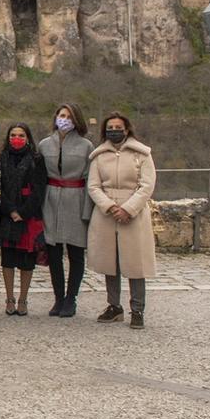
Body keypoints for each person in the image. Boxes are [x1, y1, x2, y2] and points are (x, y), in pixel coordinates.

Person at [88, 113, 156, 330]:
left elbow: (147, 185)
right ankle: (113, 306)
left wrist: (128, 209)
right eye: (110, 127)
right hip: (107, 212)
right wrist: (109, 206)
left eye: (118, 127)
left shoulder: (142, 154)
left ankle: (137, 309)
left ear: (126, 130)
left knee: (136, 263)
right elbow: (93, 186)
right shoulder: (99, 156)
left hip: (133, 212)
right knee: (110, 262)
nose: (114, 130)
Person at [38, 103, 94, 318]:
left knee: (75, 253)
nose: (64, 119)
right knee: (53, 253)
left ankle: (71, 298)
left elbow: (90, 179)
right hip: (51, 199)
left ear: (76, 120)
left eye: (69, 116)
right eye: (61, 115)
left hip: (75, 199)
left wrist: (87, 210)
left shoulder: (86, 146)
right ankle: (58, 298)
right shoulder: (44, 145)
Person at [0, 122, 47, 317]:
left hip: (29, 214)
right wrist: (10, 210)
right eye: (13, 135)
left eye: (21, 135)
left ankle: (23, 298)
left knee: (27, 260)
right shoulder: (1, 157)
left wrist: (24, 212)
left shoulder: (36, 159)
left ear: (28, 138)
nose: (16, 139)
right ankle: (9, 298)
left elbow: (40, 188)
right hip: (7, 212)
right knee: (7, 259)